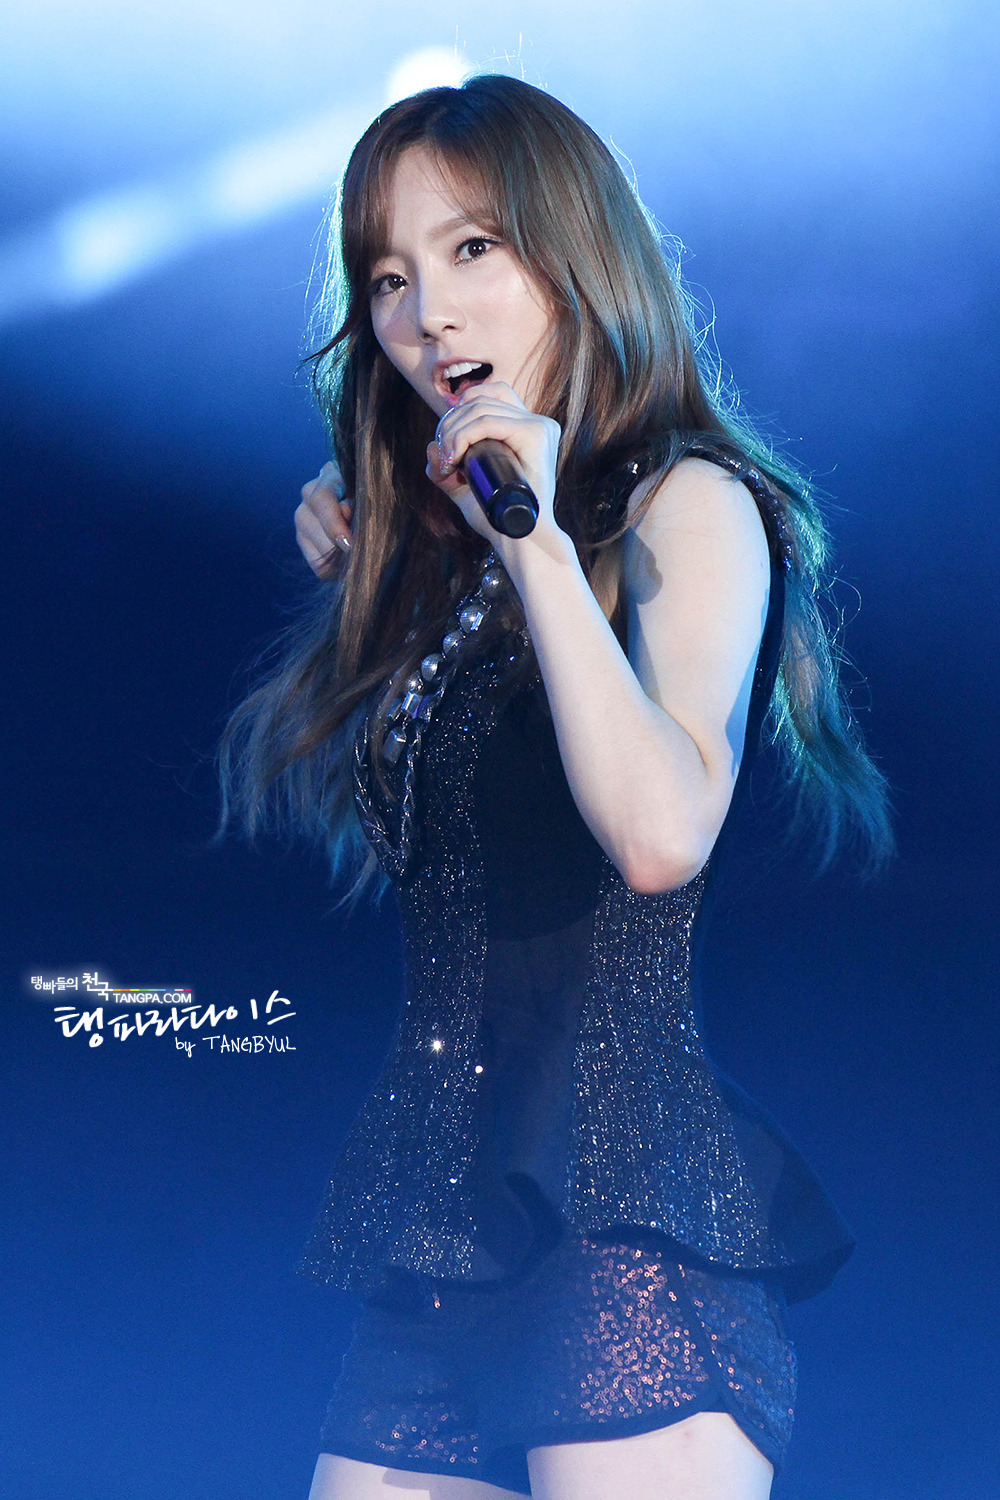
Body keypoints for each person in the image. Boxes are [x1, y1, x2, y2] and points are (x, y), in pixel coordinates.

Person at [218, 74, 891, 1500]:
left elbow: (661, 834)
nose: (426, 314)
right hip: (443, 1235)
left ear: (574, 254)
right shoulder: (466, 552)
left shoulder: (685, 505)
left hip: (627, 1231)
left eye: (472, 249)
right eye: (388, 278)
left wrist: (525, 541)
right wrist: (401, 549)